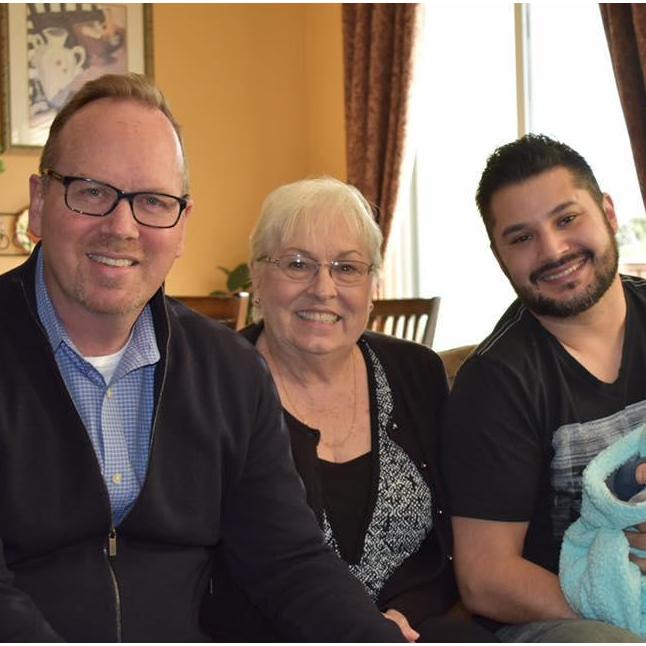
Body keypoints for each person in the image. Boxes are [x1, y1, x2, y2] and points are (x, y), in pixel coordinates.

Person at [0, 73, 407, 642]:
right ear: (41, 204)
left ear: (182, 225)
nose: (122, 227)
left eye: (153, 202)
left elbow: (288, 561)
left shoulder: (230, 372)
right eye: (91, 191)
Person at [204, 177, 495, 642]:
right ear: (257, 277)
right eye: (297, 264)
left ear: (372, 285)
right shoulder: (216, 386)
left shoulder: (416, 373)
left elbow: (453, 540)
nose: (324, 288)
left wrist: (400, 619)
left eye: (347, 267)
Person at [442, 133, 646, 642]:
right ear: (499, 255)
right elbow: (486, 579)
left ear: (608, 213)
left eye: (567, 219)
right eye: (521, 238)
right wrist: (630, 613)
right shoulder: (496, 382)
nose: (553, 251)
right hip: (565, 615)